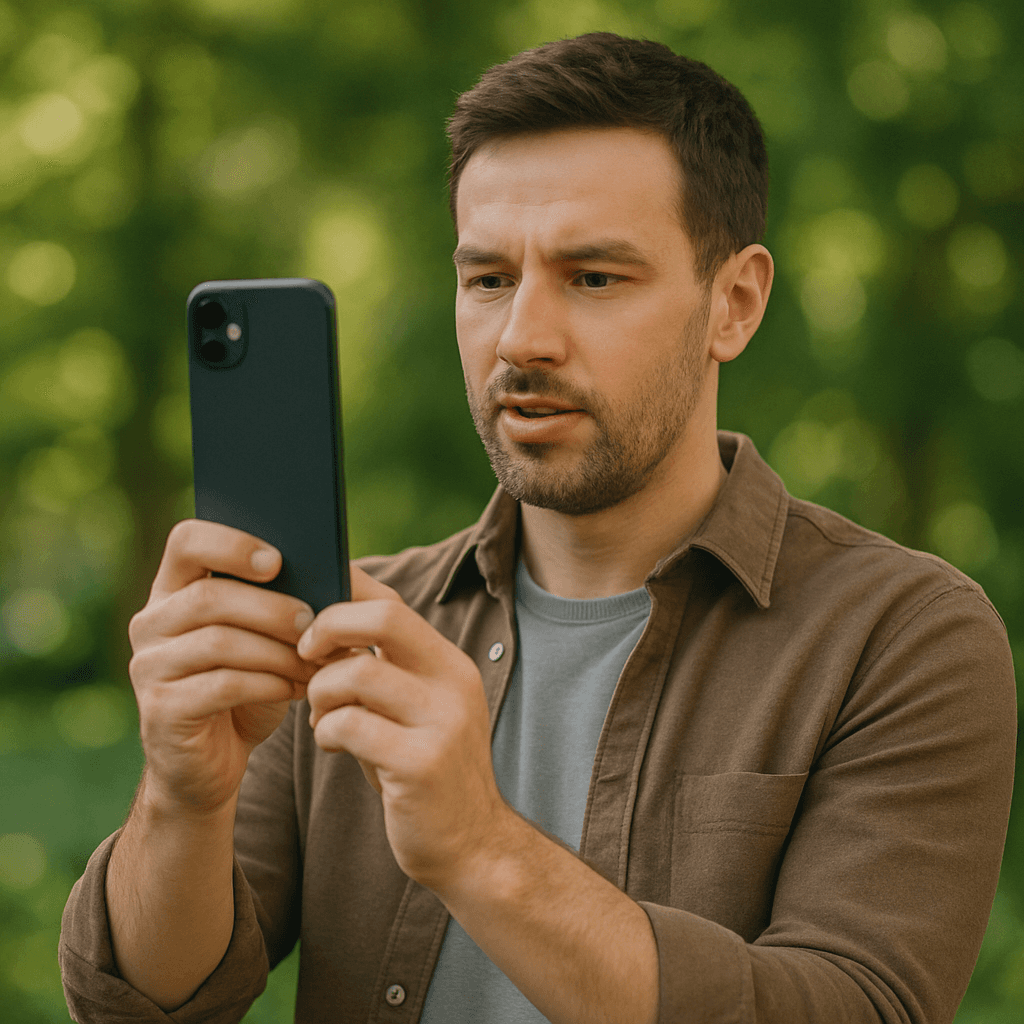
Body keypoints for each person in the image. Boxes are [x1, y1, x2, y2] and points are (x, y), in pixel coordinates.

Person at [60, 32, 1015, 1024]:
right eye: (488, 280)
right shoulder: (342, 631)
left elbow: (858, 1007)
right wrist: (183, 797)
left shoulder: (901, 636)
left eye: (594, 277)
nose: (520, 337)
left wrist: (479, 845)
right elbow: (137, 1005)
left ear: (732, 302)